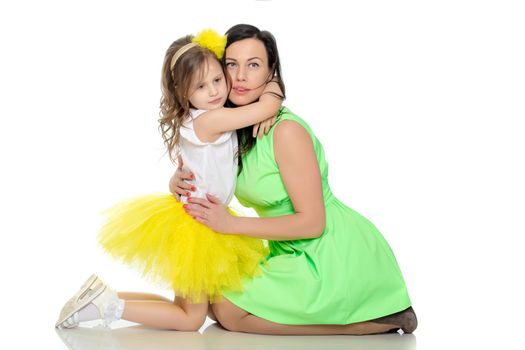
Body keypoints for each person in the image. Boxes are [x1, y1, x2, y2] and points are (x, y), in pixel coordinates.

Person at [170, 24, 418, 335]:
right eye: (232, 65)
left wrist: (231, 224)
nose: (241, 76)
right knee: (215, 300)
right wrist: (178, 180)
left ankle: (375, 320)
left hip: (326, 249)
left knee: (228, 311)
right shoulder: (234, 128)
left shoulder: (285, 131)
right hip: (285, 248)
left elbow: (313, 223)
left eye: (254, 65)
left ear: (271, 72)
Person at [55, 28, 284, 331]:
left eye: (218, 79)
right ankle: (110, 305)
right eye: (201, 86)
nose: (215, 91)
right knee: (191, 319)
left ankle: (99, 296)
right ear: (183, 92)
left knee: (184, 307)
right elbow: (268, 107)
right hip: (198, 224)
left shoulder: (201, 114)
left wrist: (174, 181)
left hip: (195, 216)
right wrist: (275, 84)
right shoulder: (211, 119)